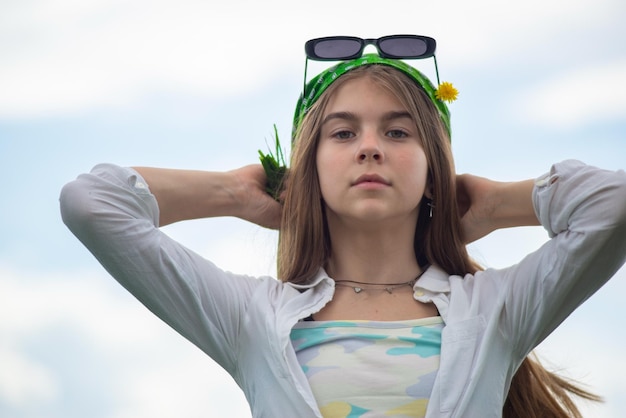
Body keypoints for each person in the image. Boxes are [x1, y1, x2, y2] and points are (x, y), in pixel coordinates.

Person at [60, 35, 626, 418]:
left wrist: (498, 204)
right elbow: (93, 204)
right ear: (311, 169)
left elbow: (616, 205)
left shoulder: (496, 310)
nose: (371, 148)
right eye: (343, 133)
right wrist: (237, 193)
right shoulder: (252, 318)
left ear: (435, 172)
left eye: (399, 133)